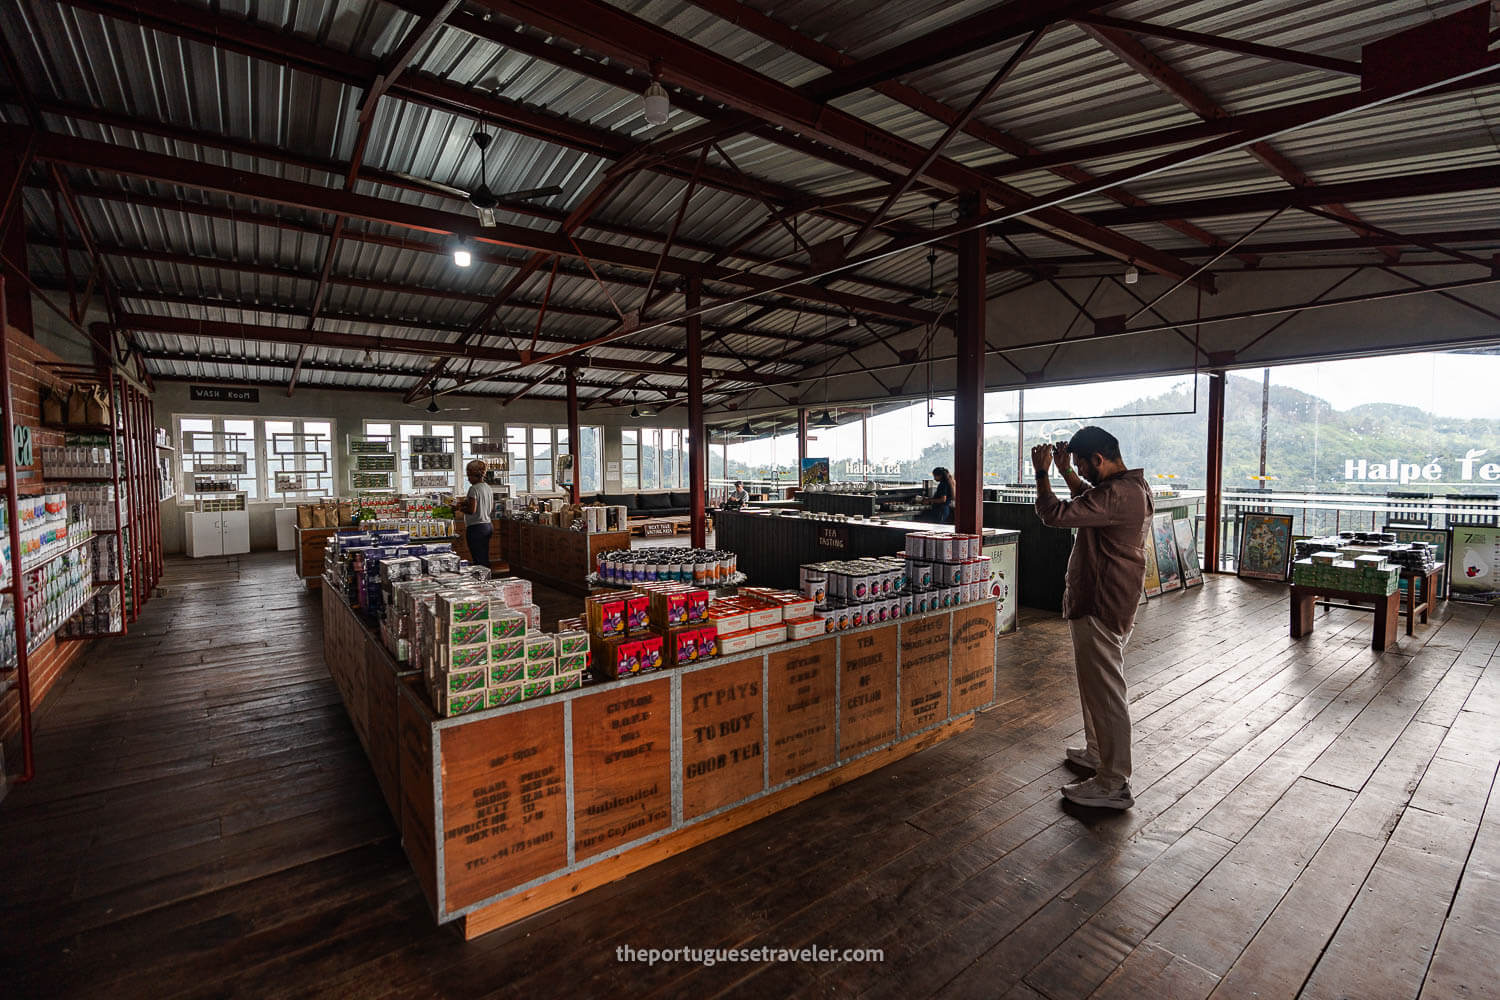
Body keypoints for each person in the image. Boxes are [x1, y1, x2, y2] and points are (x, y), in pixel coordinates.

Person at [1031, 427, 1153, 810]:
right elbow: (1089, 499)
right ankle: (1097, 753)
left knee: (1107, 692)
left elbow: (1056, 514)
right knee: (1095, 685)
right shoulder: (1128, 489)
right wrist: (1067, 472)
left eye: (1083, 466)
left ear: (1098, 460)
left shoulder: (1118, 494)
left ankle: (1115, 782)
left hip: (1102, 602)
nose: (1081, 473)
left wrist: (1043, 474)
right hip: (1105, 598)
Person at [460, 459, 495, 573]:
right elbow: (482, 504)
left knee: (478, 560)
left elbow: (472, 510)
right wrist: (463, 503)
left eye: (469, 476)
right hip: (487, 525)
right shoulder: (487, 487)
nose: (468, 479)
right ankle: (487, 581)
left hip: (476, 528)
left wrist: (459, 509)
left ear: (475, 475)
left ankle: (483, 583)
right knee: (484, 557)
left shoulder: (473, 488)